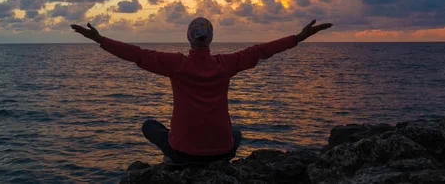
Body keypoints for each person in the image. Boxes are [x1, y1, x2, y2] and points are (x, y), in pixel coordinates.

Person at [70, 17, 332, 165]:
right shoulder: (225, 64)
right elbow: (261, 51)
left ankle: (175, 163)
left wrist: (100, 40)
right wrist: (299, 37)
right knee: (236, 133)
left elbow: (136, 55)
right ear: (211, 39)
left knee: (149, 126)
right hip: (222, 152)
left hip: (183, 152)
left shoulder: (177, 65)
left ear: (189, 38)